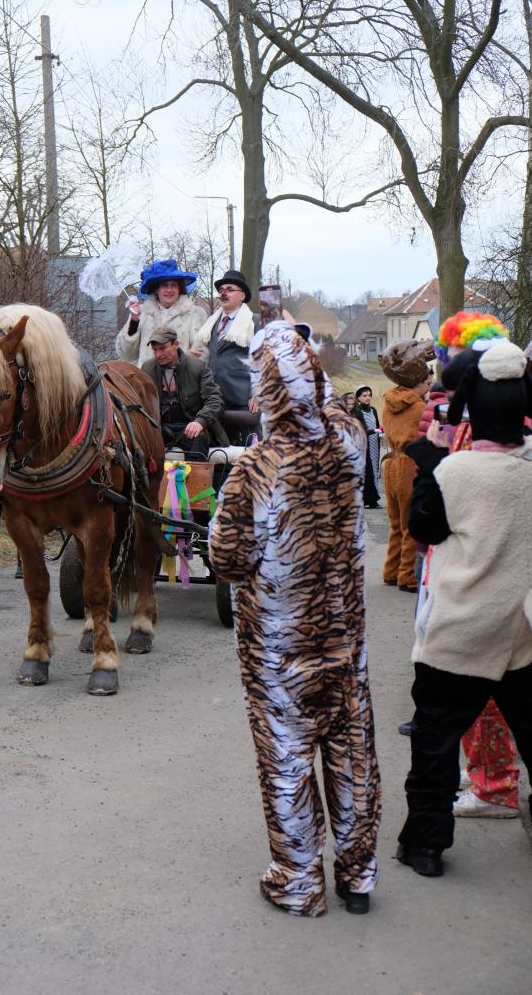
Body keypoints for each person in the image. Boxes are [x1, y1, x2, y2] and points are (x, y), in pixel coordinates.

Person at [209, 320, 381, 917]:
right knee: (352, 753)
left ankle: (299, 880)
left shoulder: (256, 470)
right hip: (345, 640)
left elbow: (227, 560)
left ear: (265, 391)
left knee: (287, 760)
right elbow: (332, 410)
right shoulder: (349, 442)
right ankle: (358, 875)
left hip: (281, 649)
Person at [396, 338, 532, 878]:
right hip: (522, 628)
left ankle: (426, 844)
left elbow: (424, 529)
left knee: (435, 741)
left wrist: (430, 458)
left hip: (461, 627)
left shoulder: (455, 472)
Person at [378, 340, 433, 592]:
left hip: (390, 463)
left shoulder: (388, 403)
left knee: (395, 524)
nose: (428, 385)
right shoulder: (419, 407)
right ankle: (407, 575)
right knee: (410, 524)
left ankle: (391, 570)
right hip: (409, 466)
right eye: (426, 382)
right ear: (417, 382)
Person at [141, 327, 227, 458]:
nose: (158, 354)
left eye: (162, 348)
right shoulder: (147, 368)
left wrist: (200, 421)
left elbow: (215, 399)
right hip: (160, 428)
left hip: (189, 426)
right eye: (155, 350)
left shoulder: (197, 366)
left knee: (197, 438)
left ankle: (195, 473)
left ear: (176, 344)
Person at [192, 270, 258, 430]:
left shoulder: (255, 322)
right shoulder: (210, 323)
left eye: (229, 289)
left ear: (242, 295)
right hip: (213, 402)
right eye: (221, 290)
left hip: (243, 404)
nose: (223, 293)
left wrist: (258, 393)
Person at [115, 259, 208, 368]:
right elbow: (126, 355)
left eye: (173, 285)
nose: (169, 290)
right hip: (145, 377)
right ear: (156, 290)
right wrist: (134, 321)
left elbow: (202, 355)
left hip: (181, 377)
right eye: (164, 285)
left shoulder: (196, 314)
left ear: (179, 289)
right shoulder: (142, 312)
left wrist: (182, 360)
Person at [352, 385, 381, 508]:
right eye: (364, 396)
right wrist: (373, 431)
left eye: (369, 395)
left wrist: (380, 432)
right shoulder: (357, 411)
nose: (367, 397)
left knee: (375, 469)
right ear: (358, 398)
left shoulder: (373, 410)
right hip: (364, 444)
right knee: (366, 471)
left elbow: (377, 425)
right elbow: (359, 429)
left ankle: (373, 498)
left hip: (374, 442)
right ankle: (365, 499)